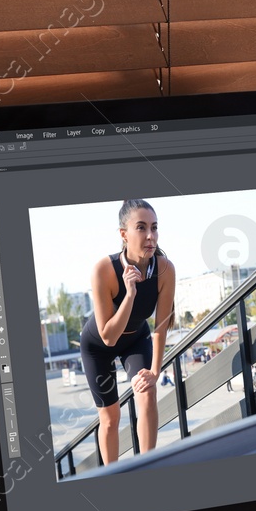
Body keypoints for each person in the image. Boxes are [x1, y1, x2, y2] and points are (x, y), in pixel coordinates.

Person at [76, 199, 176, 465]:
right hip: (98, 347)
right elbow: (108, 336)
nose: (150, 236)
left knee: (147, 392)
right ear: (124, 234)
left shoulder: (165, 269)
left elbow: (161, 326)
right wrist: (129, 293)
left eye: (154, 228)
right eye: (141, 228)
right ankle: (112, 477)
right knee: (110, 418)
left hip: (135, 339)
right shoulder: (104, 270)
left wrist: (155, 373)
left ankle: (147, 466)